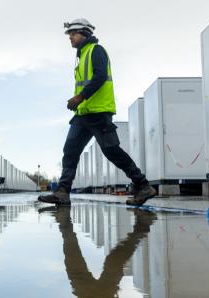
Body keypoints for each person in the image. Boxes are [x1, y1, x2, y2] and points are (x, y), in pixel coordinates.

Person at [38, 18, 156, 206]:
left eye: (73, 34)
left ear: (84, 34)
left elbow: (100, 76)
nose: (70, 38)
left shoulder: (96, 51)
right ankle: (62, 192)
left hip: (99, 113)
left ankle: (142, 185)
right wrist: (80, 102)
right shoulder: (82, 54)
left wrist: (80, 97)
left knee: (111, 151)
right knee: (70, 150)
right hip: (83, 114)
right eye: (69, 35)